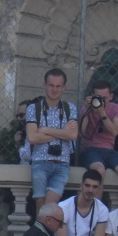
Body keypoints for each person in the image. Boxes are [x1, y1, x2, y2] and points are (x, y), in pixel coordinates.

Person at [26, 68, 79, 206]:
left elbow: (72, 135)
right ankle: (40, 228)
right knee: (40, 203)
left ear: (64, 87)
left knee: (51, 206)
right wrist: (62, 133)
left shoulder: (70, 108)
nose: (54, 89)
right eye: (51, 85)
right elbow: (32, 137)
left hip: (62, 163)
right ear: (44, 85)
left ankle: (45, 227)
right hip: (40, 162)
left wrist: (44, 130)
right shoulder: (34, 108)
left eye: (58, 86)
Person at [77, 80, 118, 182]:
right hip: (90, 149)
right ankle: (97, 199)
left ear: (111, 96)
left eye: (104, 98)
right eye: (98, 98)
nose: (101, 101)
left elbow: (114, 131)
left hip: (109, 150)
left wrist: (102, 113)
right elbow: (80, 132)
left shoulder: (117, 108)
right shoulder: (87, 108)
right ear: (92, 95)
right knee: (99, 171)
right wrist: (86, 110)